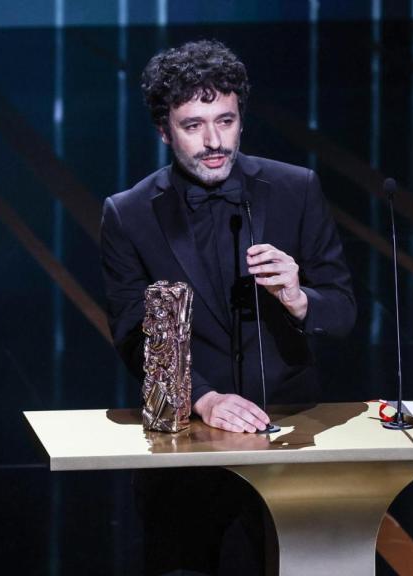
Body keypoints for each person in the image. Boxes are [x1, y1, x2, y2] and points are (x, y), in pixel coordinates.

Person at [99, 40, 356, 575]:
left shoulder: (295, 189)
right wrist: (204, 398)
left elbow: (345, 311)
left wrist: (298, 297)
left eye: (226, 121)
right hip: (185, 456)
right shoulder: (128, 215)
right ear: (164, 131)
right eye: (193, 125)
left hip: (293, 437)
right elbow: (132, 334)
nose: (214, 141)